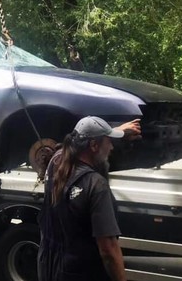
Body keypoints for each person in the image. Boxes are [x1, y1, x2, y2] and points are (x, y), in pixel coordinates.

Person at [38, 116, 141, 281]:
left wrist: (116, 131)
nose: (112, 147)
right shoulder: (96, 185)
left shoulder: (55, 164)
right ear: (93, 146)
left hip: (50, 269)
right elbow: (108, 251)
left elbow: (72, 143)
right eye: (108, 141)